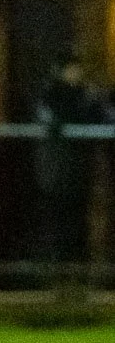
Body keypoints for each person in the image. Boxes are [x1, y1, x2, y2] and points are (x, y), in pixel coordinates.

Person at [35, 53, 107, 271]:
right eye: (71, 69)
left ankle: (78, 265)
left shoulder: (85, 95)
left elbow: (96, 116)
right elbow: (54, 119)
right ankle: (59, 264)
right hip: (57, 167)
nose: (76, 74)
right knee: (59, 215)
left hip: (78, 168)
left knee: (78, 215)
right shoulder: (50, 94)